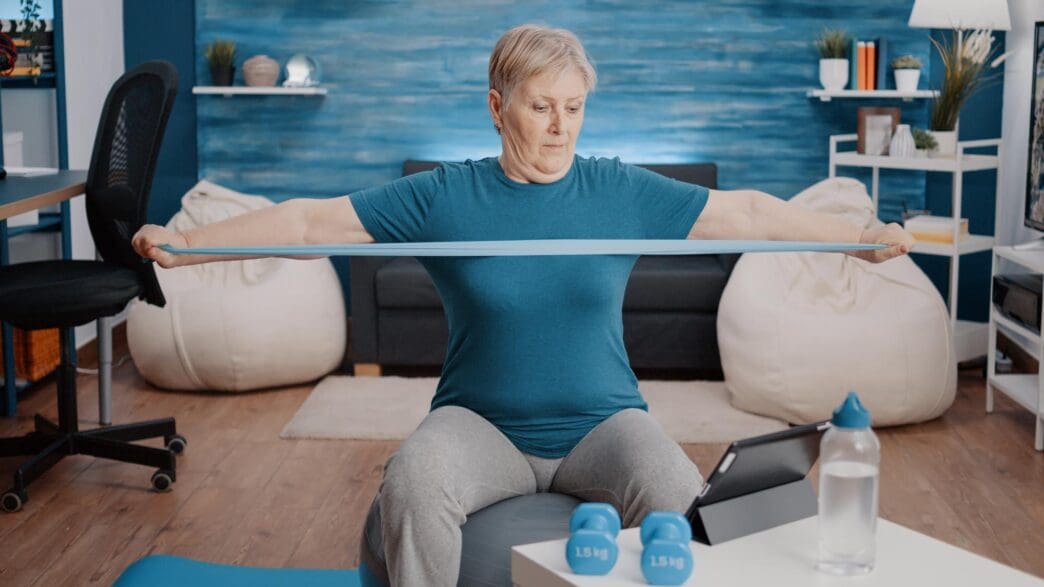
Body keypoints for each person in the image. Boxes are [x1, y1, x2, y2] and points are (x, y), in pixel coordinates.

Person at [134, 24, 914, 587]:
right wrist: (188, 244)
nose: (560, 126)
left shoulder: (615, 186)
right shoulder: (446, 193)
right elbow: (311, 220)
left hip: (605, 422)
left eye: (574, 107)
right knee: (411, 480)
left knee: (687, 497)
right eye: (542, 106)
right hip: (481, 423)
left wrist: (856, 234)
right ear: (498, 105)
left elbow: (742, 213)